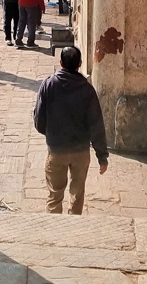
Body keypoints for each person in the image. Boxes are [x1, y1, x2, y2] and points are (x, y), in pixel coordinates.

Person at [33, 46, 109, 214]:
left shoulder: (48, 85)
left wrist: (52, 134)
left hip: (57, 150)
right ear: (80, 64)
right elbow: (96, 124)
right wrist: (102, 156)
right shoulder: (87, 90)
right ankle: (74, 227)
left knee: (54, 194)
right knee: (77, 193)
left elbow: (39, 121)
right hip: (80, 151)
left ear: (60, 63)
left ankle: (55, 230)